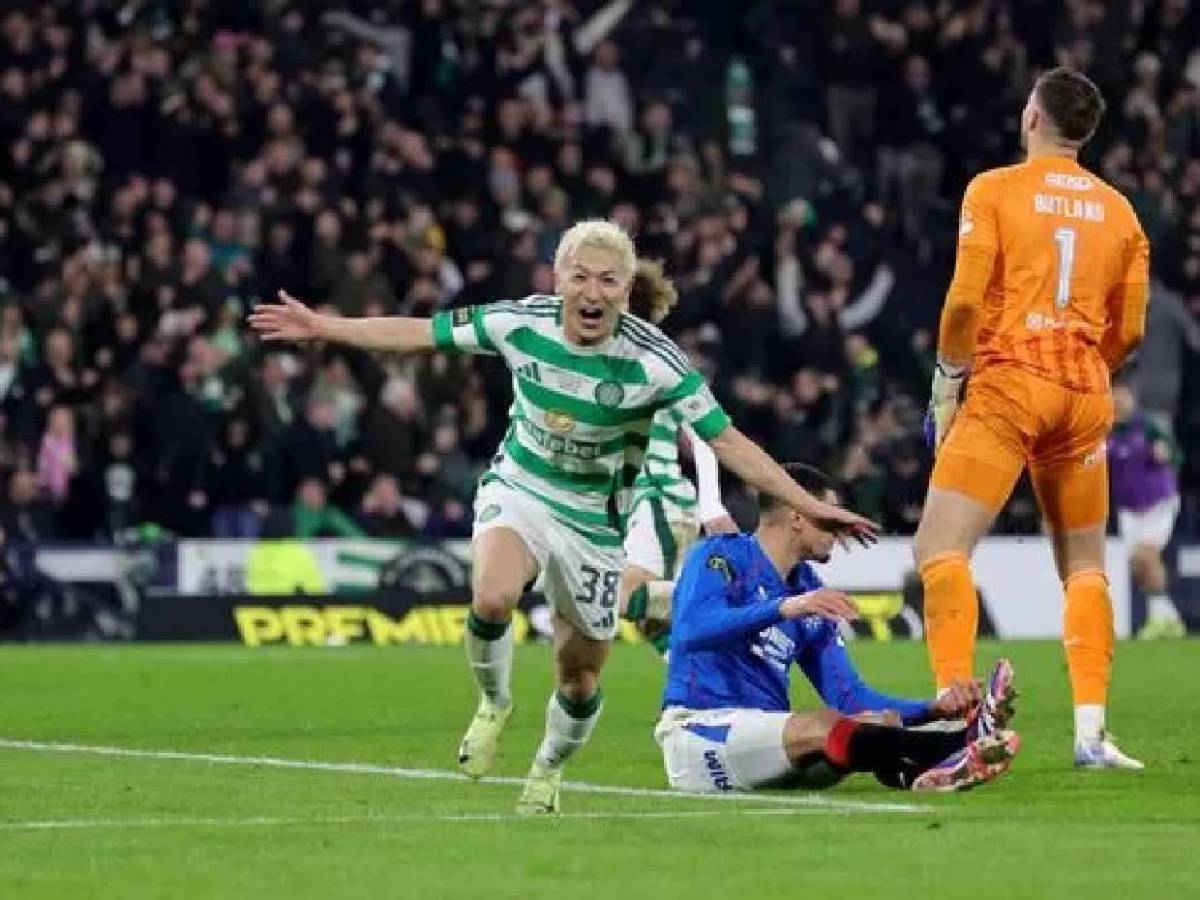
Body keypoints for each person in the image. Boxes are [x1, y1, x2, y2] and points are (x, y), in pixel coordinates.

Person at [249, 219, 878, 814]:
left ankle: (547, 768)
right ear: (558, 279)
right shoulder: (518, 323)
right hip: (521, 490)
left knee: (578, 680)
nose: (592, 291)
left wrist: (811, 505)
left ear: (627, 292)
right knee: (493, 596)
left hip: (596, 525)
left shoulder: (658, 361)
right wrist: (323, 326)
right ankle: (494, 703)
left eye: (608, 280)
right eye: (580, 276)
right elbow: (419, 332)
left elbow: (729, 443)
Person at [914, 68, 1149, 769]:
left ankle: (959, 718)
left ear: (1033, 119)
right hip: (1084, 391)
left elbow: (962, 305)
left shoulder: (993, 190)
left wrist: (949, 381)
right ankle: (1091, 734)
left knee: (940, 550)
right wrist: (1086, 366)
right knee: (1084, 569)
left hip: (1011, 381)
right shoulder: (1122, 212)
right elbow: (1130, 330)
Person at [657, 463, 1020, 794]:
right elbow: (690, 630)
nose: (837, 532)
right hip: (700, 733)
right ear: (798, 516)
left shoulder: (807, 590)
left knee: (879, 720)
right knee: (824, 726)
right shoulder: (722, 555)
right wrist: (783, 608)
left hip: (768, 746)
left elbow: (849, 697)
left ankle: (921, 771)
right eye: (828, 518)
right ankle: (956, 745)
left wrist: (932, 709)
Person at [619, 260, 738, 654]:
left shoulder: (654, 364)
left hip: (658, 500)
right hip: (645, 505)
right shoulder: (620, 361)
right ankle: (694, 694)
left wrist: (712, 505)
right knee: (655, 622)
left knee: (615, 598)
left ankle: (729, 600)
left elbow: (705, 437)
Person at [1109, 383, 1186, 640]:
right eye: (1114, 396)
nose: (1119, 401)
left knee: (1146, 556)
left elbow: (1177, 455)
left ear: (1131, 398)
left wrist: (1167, 454)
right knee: (1138, 567)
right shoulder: (1104, 431)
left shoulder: (1148, 426)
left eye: (1123, 396)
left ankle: (1160, 619)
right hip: (1129, 508)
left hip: (1158, 503)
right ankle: (1168, 618)